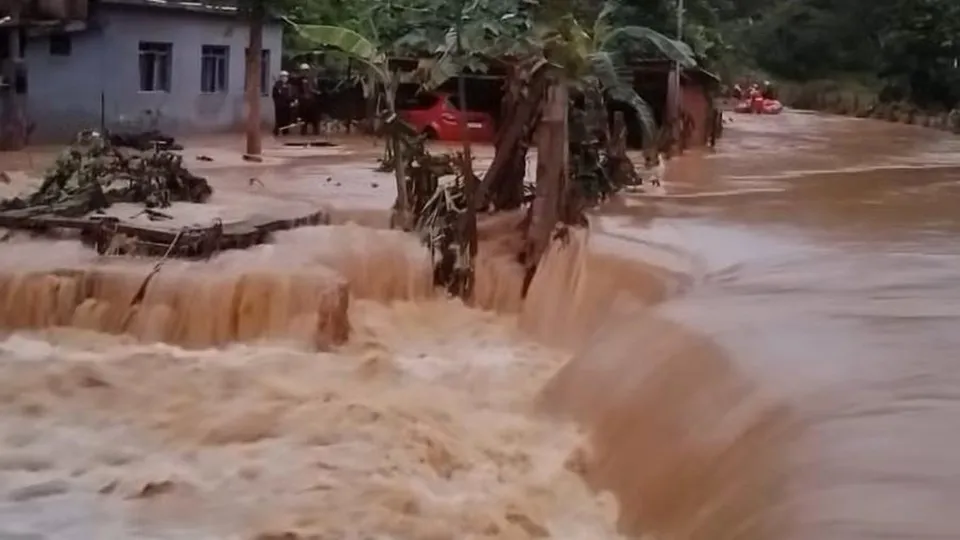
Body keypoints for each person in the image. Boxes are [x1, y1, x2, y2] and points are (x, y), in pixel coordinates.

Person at [293, 63, 320, 136]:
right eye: (303, 70)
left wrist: (316, 92)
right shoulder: (298, 80)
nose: (305, 72)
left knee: (314, 116)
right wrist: (297, 98)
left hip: (312, 100)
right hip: (303, 101)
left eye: (306, 70)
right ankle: (303, 131)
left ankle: (316, 130)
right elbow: (297, 90)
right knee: (303, 117)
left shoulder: (312, 79)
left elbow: (315, 88)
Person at [271, 71, 295, 136]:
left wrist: (292, 101)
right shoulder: (277, 85)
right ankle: (277, 131)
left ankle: (285, 130)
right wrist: (279, 95)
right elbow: (274, 95)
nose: (284, 78)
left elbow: (291, 95)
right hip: (279, 105)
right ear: (281, 77)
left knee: (287, 118)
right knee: (279, 118)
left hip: (287, 104)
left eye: (286, 77)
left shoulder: (289, 85)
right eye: (283, 76)